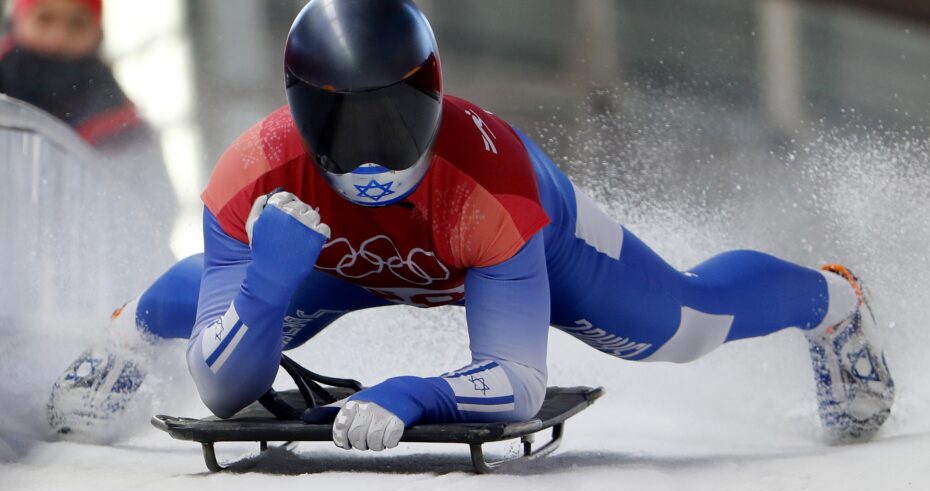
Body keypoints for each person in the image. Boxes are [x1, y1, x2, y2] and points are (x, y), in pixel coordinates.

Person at [49, 0, 893, 450]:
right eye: (346, 127)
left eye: (394, 120)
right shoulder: (250, 175)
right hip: (347, 256)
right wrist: (267, 286)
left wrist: (414, 394)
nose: (373, 155)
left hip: (515, 245)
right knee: (235, 283)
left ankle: (831, 301)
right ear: (301, 116)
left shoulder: (491, 185)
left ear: (435, 97)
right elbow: (225, 391)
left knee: (682, 328)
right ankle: (128, 335)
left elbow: (517, 380)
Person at [1, 0, 176, 230]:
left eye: (76, 24)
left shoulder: (127, 131)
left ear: (97, 32)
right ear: (17, 21)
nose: (58, 37)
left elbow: (152, 221)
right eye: (44, 19)